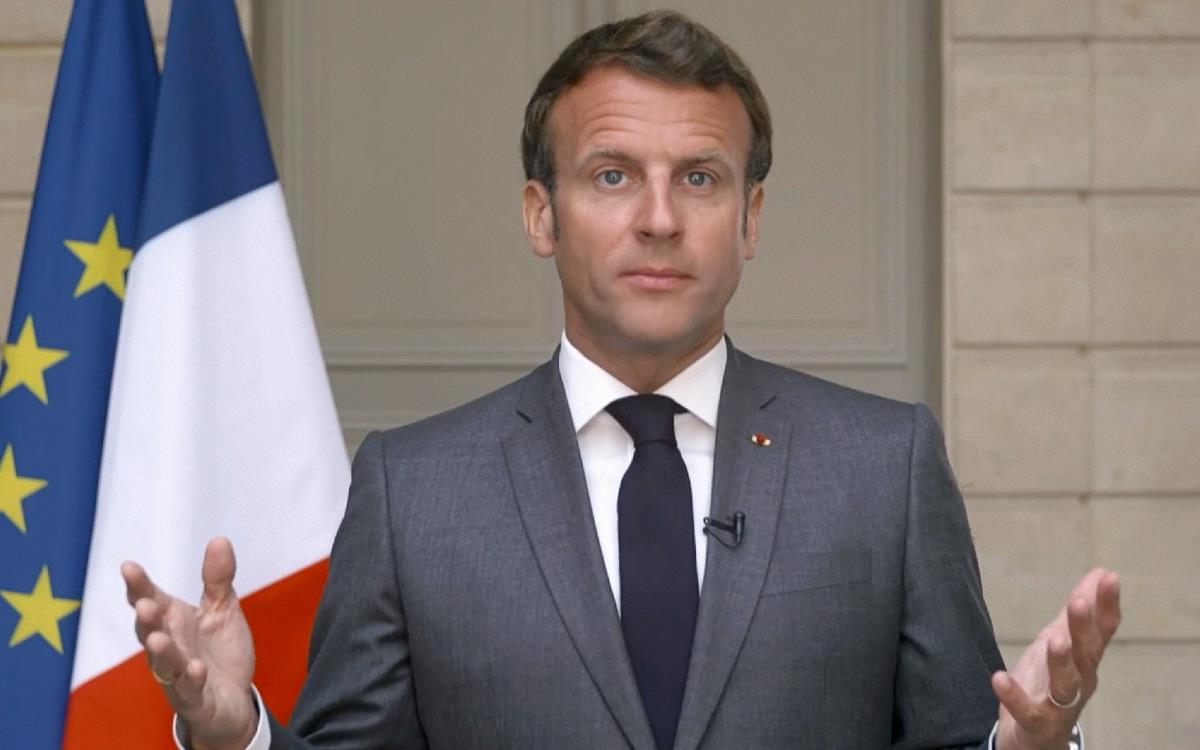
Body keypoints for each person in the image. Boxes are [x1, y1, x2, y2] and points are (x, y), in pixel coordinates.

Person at [123, 11, 1121, 750]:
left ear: (751, 217)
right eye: (611, 175)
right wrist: (233, 733)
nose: (658, 217)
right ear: (540, 214)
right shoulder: (412, 489)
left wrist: (1023, 746)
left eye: (700, 177)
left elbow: (957, 739)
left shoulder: (884, 464)